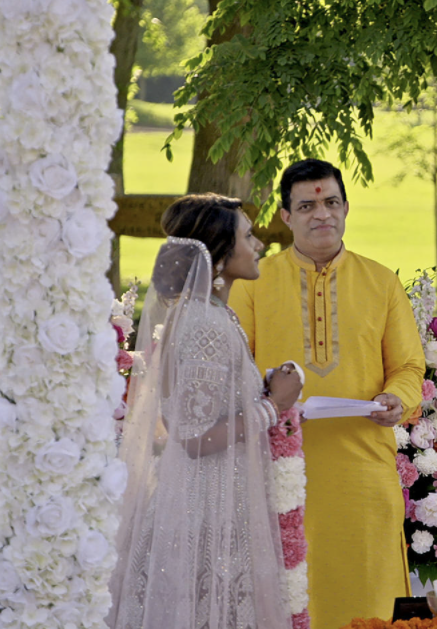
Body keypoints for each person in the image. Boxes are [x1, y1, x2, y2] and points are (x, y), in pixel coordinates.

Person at [229, 159, 425, 629]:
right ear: (285, 216)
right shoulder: (254, 282)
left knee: (369, 602)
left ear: (346, 208)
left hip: (363, 474)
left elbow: (407, 366)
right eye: (308, 205)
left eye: (331, 202)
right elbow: (234, 371)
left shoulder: (381, 281)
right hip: (280, 469)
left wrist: (398, 398)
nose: (322, 214)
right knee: (291, 598)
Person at [108, 194, 302, 629]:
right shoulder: (205, 324)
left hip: (213, 497)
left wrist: (262, 390)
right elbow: (194, 438)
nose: (259, 245)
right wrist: (274, 406)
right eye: (248, 236)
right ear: (216, 256)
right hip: (205, 505)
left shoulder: (209, 315)